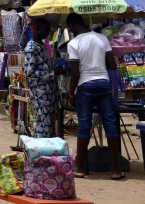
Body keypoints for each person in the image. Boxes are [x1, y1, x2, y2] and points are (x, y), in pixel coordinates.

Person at [66, 13, 123, 180]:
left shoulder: (73, 43)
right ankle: (115, 169)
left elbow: (75, 72)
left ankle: (79, 167)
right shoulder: (102, 38)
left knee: (84, 125)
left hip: (85, 86)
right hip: (103, 84)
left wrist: (71, 92)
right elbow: (112, 65)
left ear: (71, 26)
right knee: (110, 124)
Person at [23, 18, 61, 138]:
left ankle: (48, 154)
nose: (47, 34)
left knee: (49, 128)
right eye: (46, 30)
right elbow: (30, 73)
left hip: (50, 95)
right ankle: (41, 155)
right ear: (38, 29)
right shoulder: (31, 49)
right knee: (42, 128)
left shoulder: (42, 46)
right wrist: (52, 74)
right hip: (41, 96)